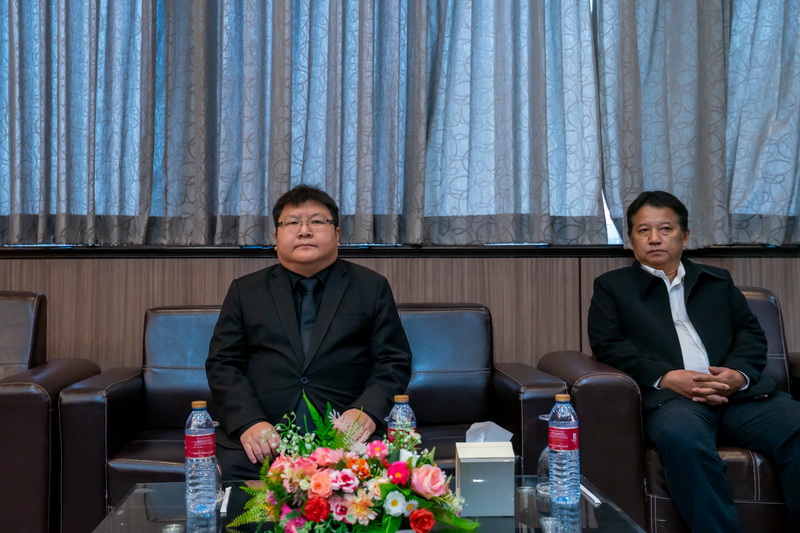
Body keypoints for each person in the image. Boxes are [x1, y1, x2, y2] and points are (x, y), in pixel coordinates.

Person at [587, 190, 800, 533]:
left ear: (685, 236)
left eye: (666, 229)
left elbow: (750, 335)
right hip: (673, 401)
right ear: (631, 239)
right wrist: (668, 377)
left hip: (740, 397)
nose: (654, 238)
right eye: (643, 230)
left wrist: (738, 375)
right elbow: (609, 346)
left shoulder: (717, 281)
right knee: (683, 439)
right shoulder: (613, 288)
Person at [206, 184, 412, 480]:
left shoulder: (371, 287)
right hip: (265, 437)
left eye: (317, 221)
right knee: (235, 496)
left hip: (347, 435)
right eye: (292, 223)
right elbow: (223, 363)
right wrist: (249, 421)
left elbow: (393, 360)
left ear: (337, 234)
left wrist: (366, 411)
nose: (304, 231)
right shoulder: (246, 290)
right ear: (276, 236)